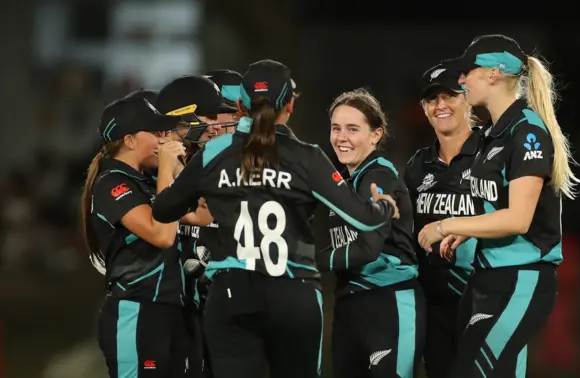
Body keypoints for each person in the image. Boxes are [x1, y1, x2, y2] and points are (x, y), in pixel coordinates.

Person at [151, 59, 400, 378]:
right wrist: (383, 205)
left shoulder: (214, 153)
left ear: (240, 105)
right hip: (294, 293)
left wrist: (170, 169)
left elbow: (162, 210)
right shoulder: (307, 156)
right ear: (291, 105)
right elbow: (364, 219)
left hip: (231, 292)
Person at [418, 34, 580, 378]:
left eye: (469, 71)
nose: (462, 80)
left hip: (521, 279)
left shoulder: (527, 132)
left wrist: (447, 225)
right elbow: (497, 206)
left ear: (494, 74)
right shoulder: (495, 133)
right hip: (489, 277)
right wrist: (466, 233)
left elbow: (519, 219)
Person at [316, 88, 424, 378]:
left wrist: (308, 261)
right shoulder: (343, 185)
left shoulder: (378, 176)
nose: (341, 137)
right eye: (336, 128)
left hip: (387, 301)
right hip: (350, 304)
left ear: (376, 135)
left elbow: (369, 248)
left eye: (353, 129)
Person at [81, 96, 190, 378]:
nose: (164, 139)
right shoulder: (112, 184)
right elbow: (162, 234)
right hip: (136, 311)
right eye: (155, 133)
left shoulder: (151, 181)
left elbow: (204, 214)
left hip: (169, 311)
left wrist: (178, 170)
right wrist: (166, 169)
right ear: (129, 140)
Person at [404, 61, 483, 378]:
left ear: (467, 98)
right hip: (434, 305)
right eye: (432, 99)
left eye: (449, 95)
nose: (440, 105)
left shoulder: (492, 153)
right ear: (423, 108)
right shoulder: (417, 165)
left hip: (484, 299)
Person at [155, 74, 236, 378]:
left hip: (213, 302)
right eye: (210, 115)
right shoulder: (157, 167)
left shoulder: (218, 160)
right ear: (182, 117)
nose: (219, 124)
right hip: (175, 307)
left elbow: (206, 215)